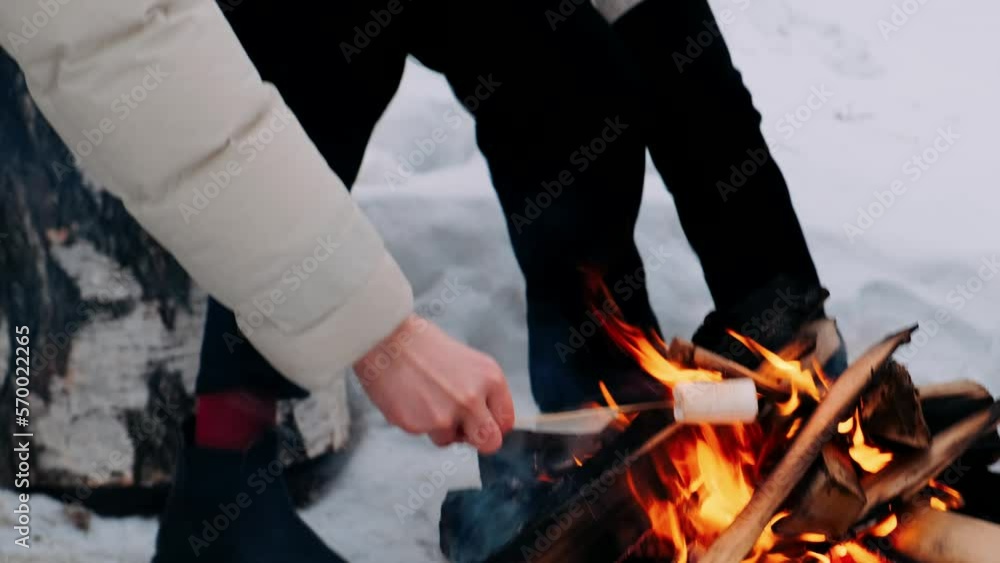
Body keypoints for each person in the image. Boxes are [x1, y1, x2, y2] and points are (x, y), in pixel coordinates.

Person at [0, 0, 841, 561]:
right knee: (323, 36)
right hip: (148, 43)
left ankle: (604, 422)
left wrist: (779, 296)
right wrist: (381, 335)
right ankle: (223, 475)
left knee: (567, 57)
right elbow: (118, 40)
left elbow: (660, 24)